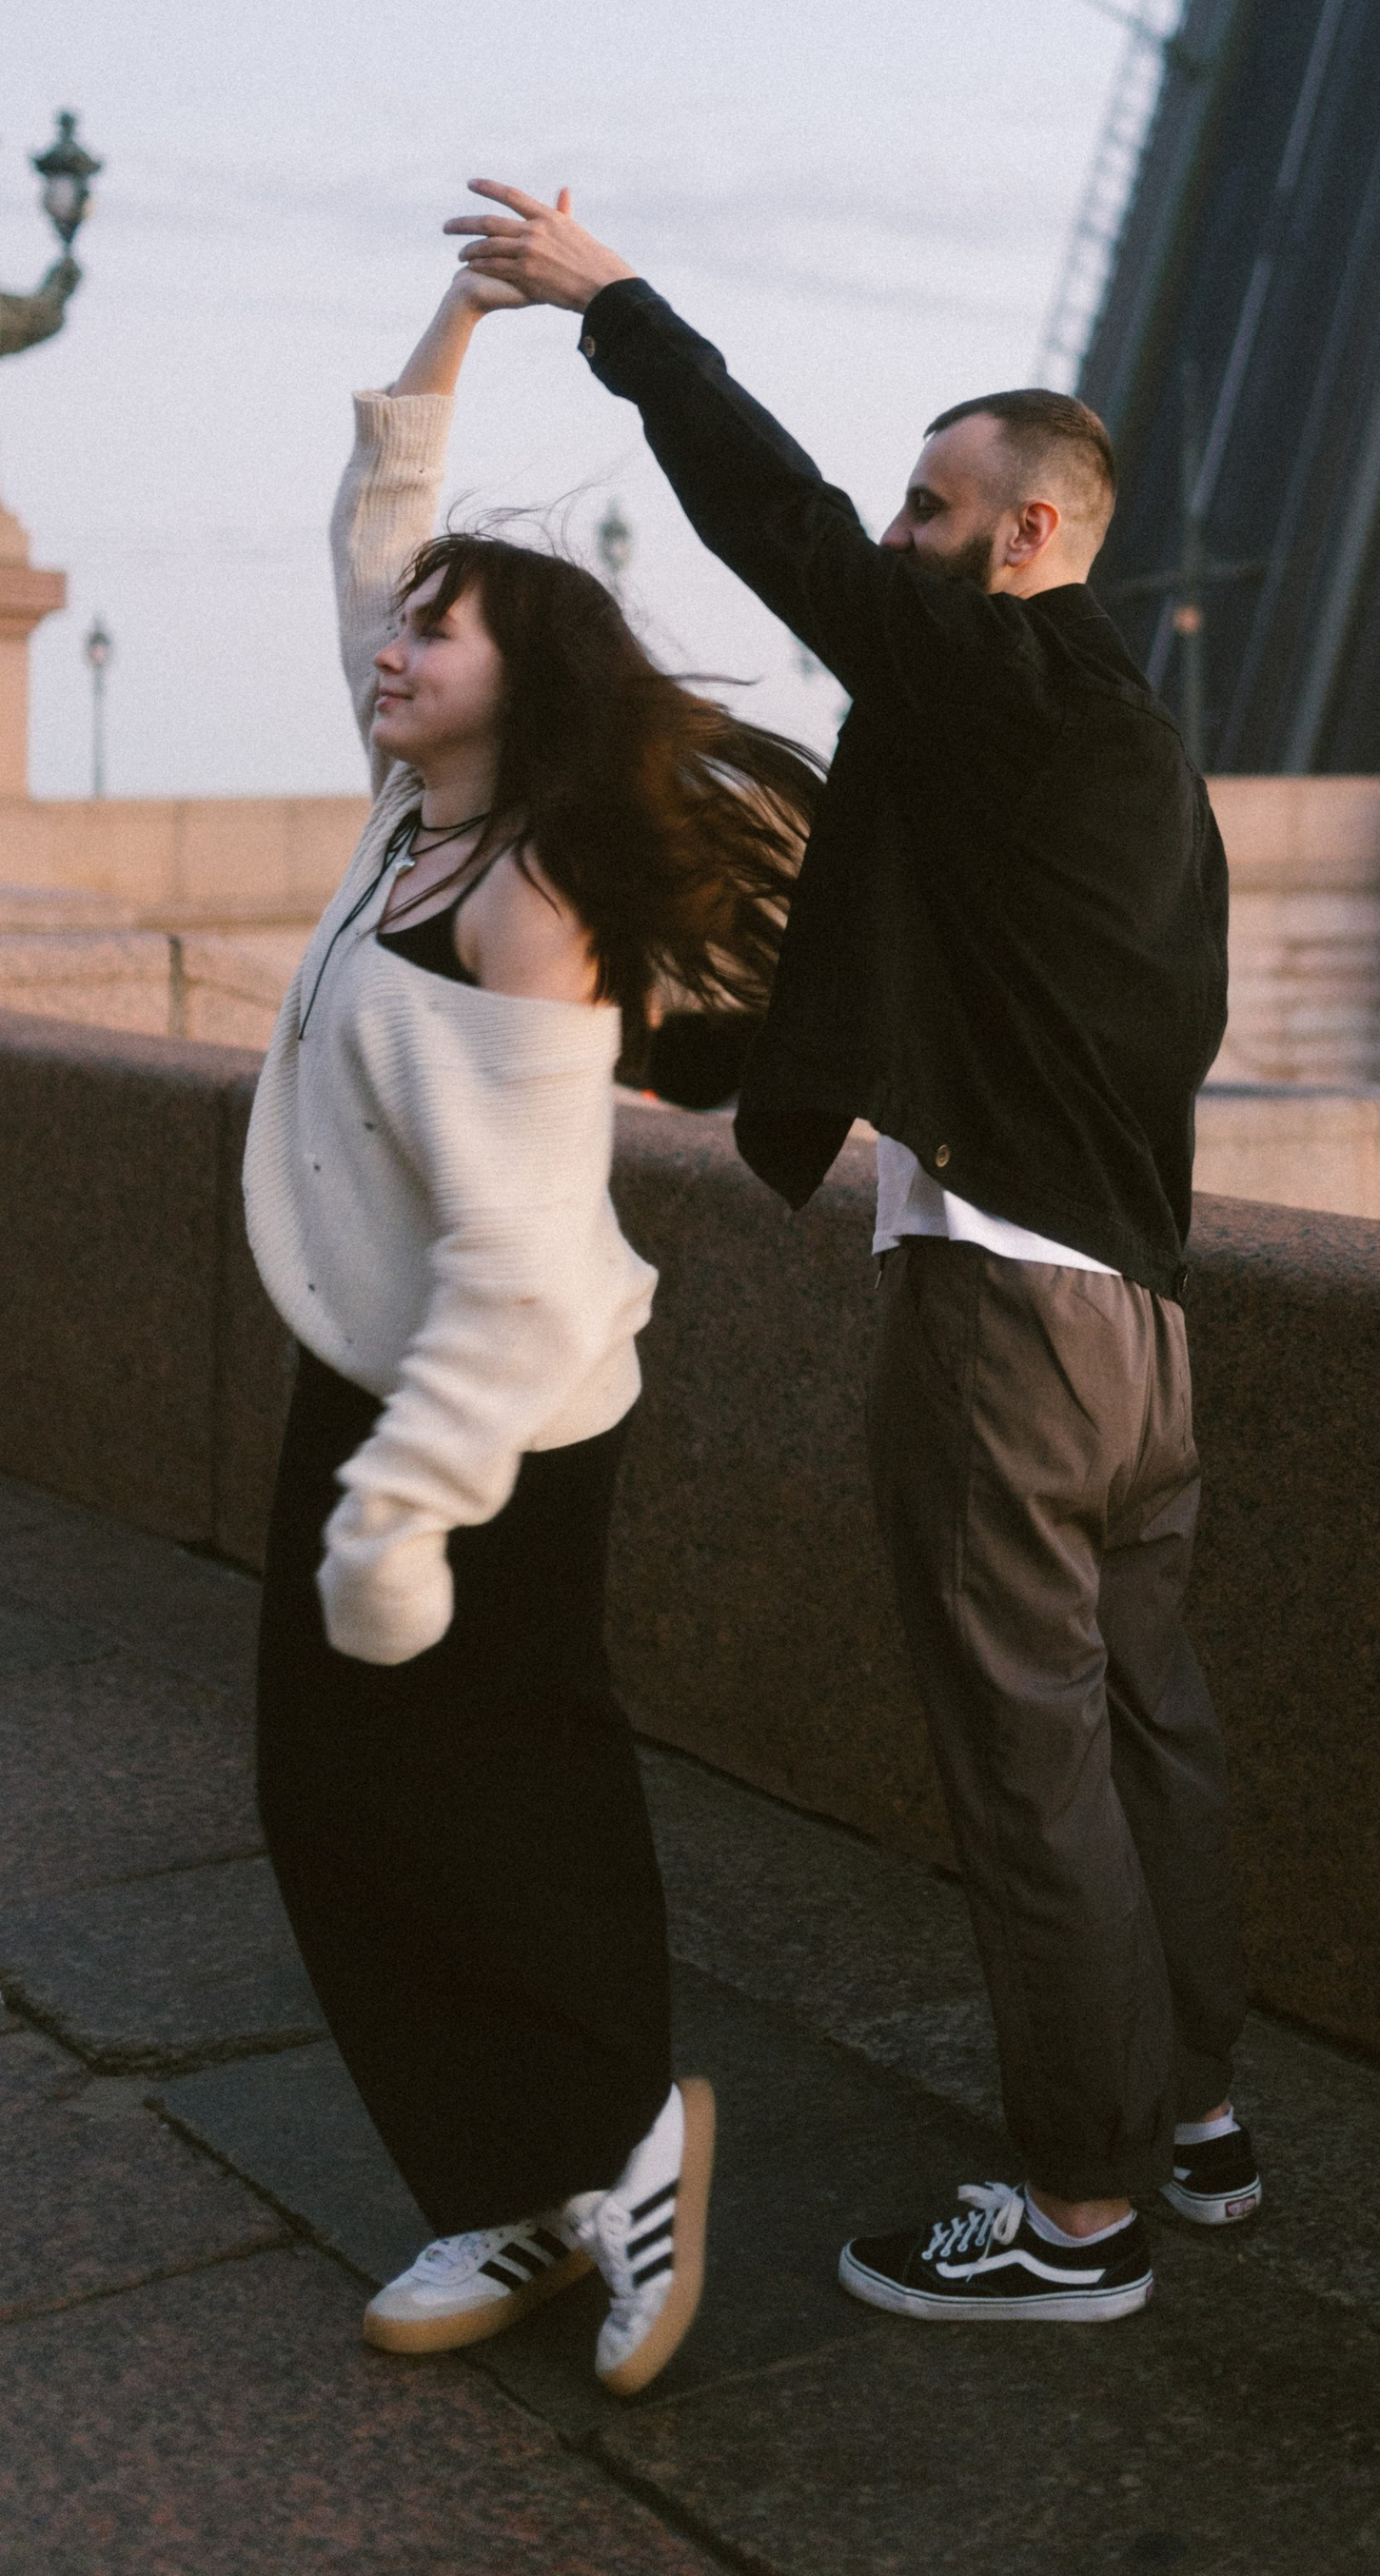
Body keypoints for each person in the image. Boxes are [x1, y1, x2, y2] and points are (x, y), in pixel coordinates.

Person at [446, 174, 1260, 2325]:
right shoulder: (1137, 751)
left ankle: (1075, 2217)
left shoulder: (987, 682)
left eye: (932, 507)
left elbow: (775, 525)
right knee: (1152, 1717)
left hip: (1004, 1312)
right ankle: (1194, 2117)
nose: (892, 538)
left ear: (1026, 534)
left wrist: (617, 307)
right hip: (1143, 1324)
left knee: (1028, 1765)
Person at [246, 247, 816, 2392]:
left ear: (527, 673)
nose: (393, 649)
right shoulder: (415, 812)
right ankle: (523, 2181)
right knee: (353, 1793)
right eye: (395, 639)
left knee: (496, 1781)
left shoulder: (525, 902)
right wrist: (463, 327)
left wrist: (402, 1510)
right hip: (377, 1377)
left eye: (436, 636)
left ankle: (606, 2156)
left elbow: (521, 1262)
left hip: (489, 1415)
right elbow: (378, 525)